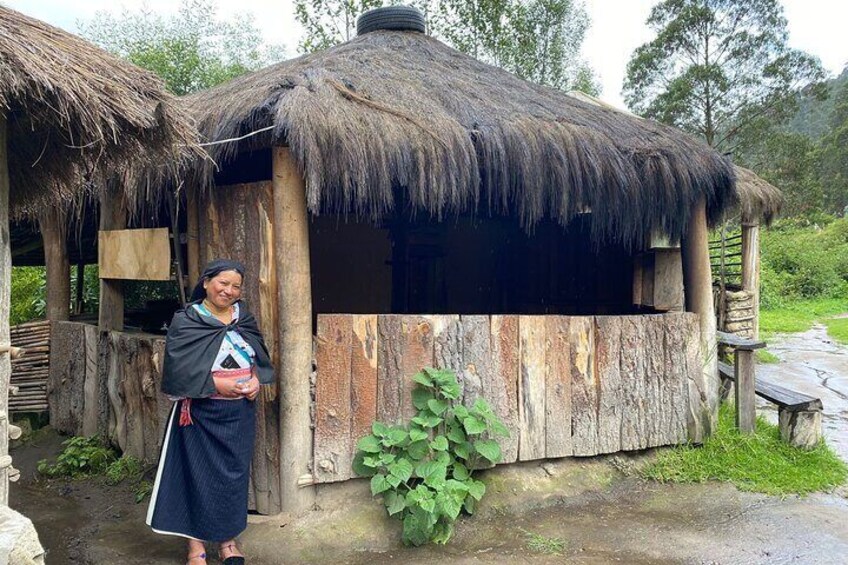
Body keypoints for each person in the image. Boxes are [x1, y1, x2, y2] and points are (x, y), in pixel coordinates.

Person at [146, 259, 274, 565]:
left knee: (232, 477)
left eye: (235, 286)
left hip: (238, 414)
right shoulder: (188, 319)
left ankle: (228, 543)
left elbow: (258, 355)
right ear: (206, 282)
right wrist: (215, 382)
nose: (228, 291)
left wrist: (256, 379)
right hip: (199, 414)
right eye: (222, 283)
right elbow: (177, 370)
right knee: (197, 476)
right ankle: (196, 548)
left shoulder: (243, 317)